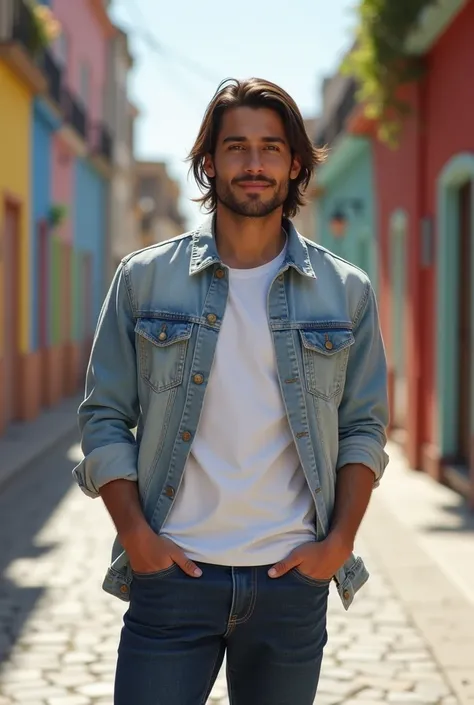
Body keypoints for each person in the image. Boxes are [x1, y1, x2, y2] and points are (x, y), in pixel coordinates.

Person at [74, 77, 389, 705]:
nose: (253, 164)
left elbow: (364, 427)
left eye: (271, 148)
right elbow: (105, 414)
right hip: (173, 578)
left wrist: (339, 545)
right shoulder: (144, 280)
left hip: (291, 582)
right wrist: (136, 535)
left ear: (295, 162)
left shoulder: (345, 291)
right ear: (209, 161)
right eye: (236, 146)